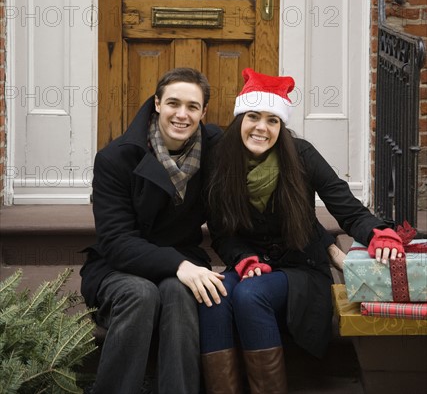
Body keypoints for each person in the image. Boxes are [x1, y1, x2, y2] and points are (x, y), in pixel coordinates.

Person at [199, 68, 405, 394]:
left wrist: (378, 232)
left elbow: (347, 208)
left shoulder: (301, 155)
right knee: (214, 296)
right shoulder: (221, 159)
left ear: (281, 126)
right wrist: (244, 259)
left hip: (302, 268)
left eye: (272, 120)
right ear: (241, 118)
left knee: (250, 295)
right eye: (254, 116)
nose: (261, 128)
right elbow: (222, 234)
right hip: (251, 264)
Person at [80, 67, 227, 394]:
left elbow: (270, 151)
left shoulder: (216, 149)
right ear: (157, 103)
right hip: (119, 265)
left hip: (183, 260)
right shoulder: (116, 158)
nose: (182, 114)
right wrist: (178, 265)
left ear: (203, 113)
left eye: (192, 107)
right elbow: (116, 242)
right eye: (173, 103)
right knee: (140, 293)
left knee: (178, 292)